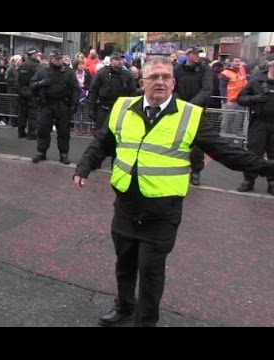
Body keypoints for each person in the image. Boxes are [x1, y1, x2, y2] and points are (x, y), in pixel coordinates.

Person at [73, 56, 274, 327]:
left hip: (162, 211)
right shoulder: (122, 107)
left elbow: (226, 151)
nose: (160, 82)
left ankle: (145, 322)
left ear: (173, 82)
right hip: (125, 206)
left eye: (166, 77)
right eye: (154, 77)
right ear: (142, 82)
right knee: (125, 264)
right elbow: (103, 142)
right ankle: (124, 307)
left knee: (150, 271)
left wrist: (265, 167)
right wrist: (84, 166)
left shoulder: (189, 116)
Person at [30, 49, 80, 164]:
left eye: (60, 58)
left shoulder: (68, 72)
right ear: (51, 59)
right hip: (46, 104)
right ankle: (41, 152)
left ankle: (63, 154)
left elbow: (75, 89)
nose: (59, 61)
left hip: (62, 105)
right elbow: (32, 85)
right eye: (57, 59)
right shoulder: (42, 71)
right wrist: (41, 83)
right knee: (43, 129)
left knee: (63, 131)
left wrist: (74, 104)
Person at [174, 47, 213, 186]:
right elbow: (173, 88)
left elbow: (207, 89)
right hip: (179, 110)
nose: (197, 56)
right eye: (194, 54)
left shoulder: (204, 70)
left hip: (197, 111)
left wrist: (191, 105)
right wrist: (179, 103)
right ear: (187, 55)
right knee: (177, 141)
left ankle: (195, 172)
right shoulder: (178, 70)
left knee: (197, 145)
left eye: (198, 54)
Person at [236, 53, 274, 194]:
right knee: (254, 152)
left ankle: (272, 182)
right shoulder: (257, 80)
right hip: (259, 122)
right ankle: (249, 180)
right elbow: (240, 98)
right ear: (270, 66)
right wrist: (254, 98)